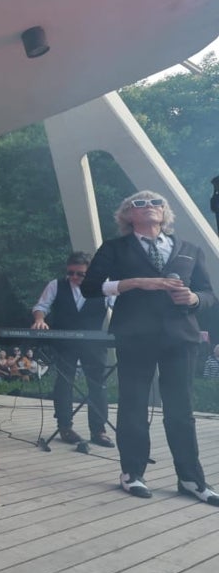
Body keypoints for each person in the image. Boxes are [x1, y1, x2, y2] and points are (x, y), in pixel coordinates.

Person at [81, 190, 217, 505]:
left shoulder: (189, 249)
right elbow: (89, 288)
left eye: (155, 202)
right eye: (138, 203)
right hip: (134, 335)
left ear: (165, 212)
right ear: (128, 216)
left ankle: (191, 479)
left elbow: (209, 294)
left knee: (181, 410)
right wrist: (133, 283)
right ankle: (132, 474)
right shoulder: (115, 248)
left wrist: (194, 299)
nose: (148, 206)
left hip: (180, 337)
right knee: (133, 406)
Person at [31, 251, 114, 445]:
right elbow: (41, 306)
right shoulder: (56, 285)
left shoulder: (103, 286)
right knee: (64, 382)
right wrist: (39, 319)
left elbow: (118, 306)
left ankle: (98, 430)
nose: (74, 277)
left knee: (98, 384)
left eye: (80, 274)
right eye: (71, 273)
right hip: (64, 341)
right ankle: (65, 427)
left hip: (93, 342)